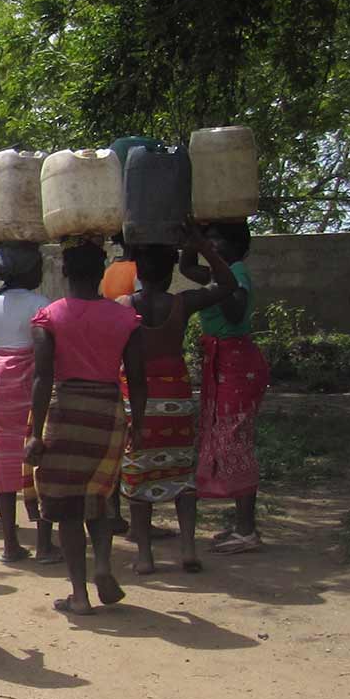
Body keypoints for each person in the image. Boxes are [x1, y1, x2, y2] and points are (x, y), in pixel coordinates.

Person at [26, 242, 145, 616]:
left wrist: (36, 433)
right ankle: (104, 566)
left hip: (66, 411)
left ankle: (79, 594)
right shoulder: (126, 318)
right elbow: (137, 379)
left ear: (64, 271)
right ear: (101, 274)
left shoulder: (49, 317)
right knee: (99, 497)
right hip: (107, 412)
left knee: (66, 508)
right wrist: (139, 424)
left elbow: (42, 378)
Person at [119, 230, 237, 573]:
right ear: (170, 273)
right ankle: (188, 549)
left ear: (138, 270)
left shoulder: (123, 306)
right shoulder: (181, 303)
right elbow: (227, 285)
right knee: (182, 474)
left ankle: (144, 556)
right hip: (176, 397)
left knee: (138, 475)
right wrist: (204, 250)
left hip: (136, 398)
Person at [182, 221, 269, 554]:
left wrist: (209, 255)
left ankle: (247, 530)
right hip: (223, 361)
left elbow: (234, 313)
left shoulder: (236, 273)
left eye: (218, 239)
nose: (213, 244)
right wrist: (193, 241)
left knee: (235, 439)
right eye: (211, 239)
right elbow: (186, 268)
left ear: (237, 246)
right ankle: (241, 525)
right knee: (226, 436)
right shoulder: (222, 272)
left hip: (236, 362)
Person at [0, 243, 50, 563]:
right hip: (32, 393)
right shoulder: (42, 304)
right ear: (27, 273)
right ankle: (45, 544)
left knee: (2, 462)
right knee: (39, 463)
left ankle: (10, 544)